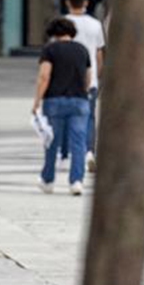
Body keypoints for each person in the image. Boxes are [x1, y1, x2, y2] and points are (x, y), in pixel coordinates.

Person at [33, 18, 92, 195]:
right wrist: (84, 92)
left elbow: (45, 76)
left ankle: (48, 179)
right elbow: (88, 77)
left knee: (52, 141)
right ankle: (76, 181)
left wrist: (37, 100)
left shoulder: (50, 50)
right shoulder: (82, 50)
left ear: (53, 33)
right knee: (79, 142)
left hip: (55, 100)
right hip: (80, 100)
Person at [63, 0, 105, 172]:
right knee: (89, 118)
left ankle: (67, 153)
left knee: (66, 116)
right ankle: (89, 151)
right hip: (90, 79)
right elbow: (98, 55)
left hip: (66, 80)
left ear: (67, 3)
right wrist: (98, 75)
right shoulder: (96, 25)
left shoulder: (62, 23)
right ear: (86, 3)